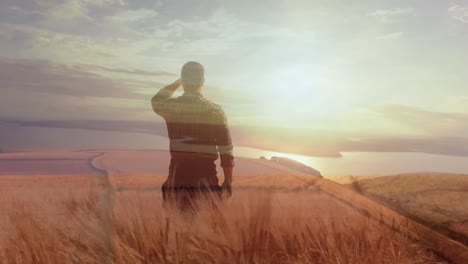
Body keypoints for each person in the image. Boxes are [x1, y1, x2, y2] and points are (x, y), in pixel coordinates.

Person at [151, 61, 234, 212]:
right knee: (205, 229)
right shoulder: (215, 111)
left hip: (176, 178)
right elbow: (226, 149)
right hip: (206, 179)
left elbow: (156, 100)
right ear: (203, 82)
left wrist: (177, 82)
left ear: (183, 82)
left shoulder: (171, 107)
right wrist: (228, 180)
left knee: (176, 228)